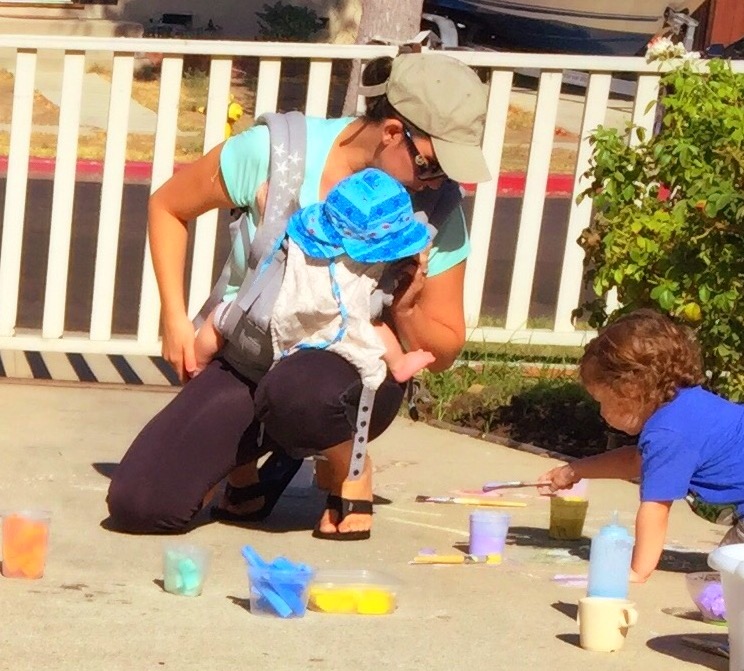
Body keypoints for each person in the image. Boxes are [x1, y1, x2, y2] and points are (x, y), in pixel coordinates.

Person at [106, 50, 490, 540]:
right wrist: (175, 318)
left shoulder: (435, 204)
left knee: (300, 395)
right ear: (393, 132)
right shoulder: (279, 154)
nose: (436, 184)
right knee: (141, 504)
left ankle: (347, 466)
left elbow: (444, 349)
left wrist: (405, 304)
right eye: (431, 166)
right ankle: (246, 468)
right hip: (250, 355)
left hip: (345, 373)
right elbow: (168, 205)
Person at [538, 309, 744, 582]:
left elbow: (656, 508)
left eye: (603, 401)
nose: (602, 413)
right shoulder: (685, 406)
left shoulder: (668, 433)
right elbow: (637, 461)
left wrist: (637, 570)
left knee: (727, 577)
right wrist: (573, 471)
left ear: (631, 390)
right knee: (725, 571)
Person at [192, 168, 436, 386]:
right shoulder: (357, 274)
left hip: (260, 325)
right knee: (371, 325)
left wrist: (267, 207)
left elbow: (269, 239)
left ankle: (197, 367)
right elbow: (365, 315)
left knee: (219, 318)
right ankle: (400, 364)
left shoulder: (296, 244)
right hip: (309, 347)